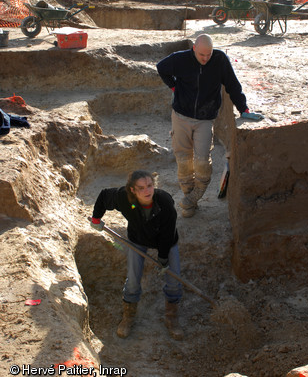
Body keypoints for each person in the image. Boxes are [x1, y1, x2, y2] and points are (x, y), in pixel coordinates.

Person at [156, 33, 263, 218]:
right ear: (194, 49)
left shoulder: (220, 60)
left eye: (209, 54)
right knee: (183, 160)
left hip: (205, 119)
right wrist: (174, 87)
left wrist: (243, 108)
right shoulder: (180, 59)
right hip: (181, 116)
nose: (205, 59)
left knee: (202, 161)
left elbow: (232, 85)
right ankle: (189, 199)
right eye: (201, 55)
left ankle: (194, 197)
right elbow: (161, 68)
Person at [90, 170, 184, 340]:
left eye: (149, 186)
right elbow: (104, 196)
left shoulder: (165, 203)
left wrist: (163, 258)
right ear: (132, 190)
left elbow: (167, 234)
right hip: (138, 239)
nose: (147, 191)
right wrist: (96, 218)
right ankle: (128, 317)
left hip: (166, 241)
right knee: (133, 278)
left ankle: (172, 317)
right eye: (141, 188)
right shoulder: (123, 198)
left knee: (174, 278)